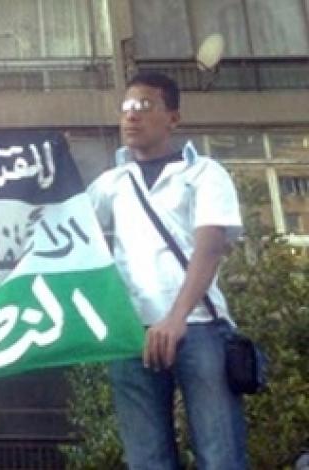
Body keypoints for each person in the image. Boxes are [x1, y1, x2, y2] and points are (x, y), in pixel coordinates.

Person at [87, 71, 248, 469]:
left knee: (220, 455)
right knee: (147, 459)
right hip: (133, 334)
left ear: (173, 118)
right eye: (126, 107)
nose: (131, 116)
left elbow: (210, 246)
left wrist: (176, 318)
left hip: (198, 326)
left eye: (144, 106)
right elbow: (69, 231)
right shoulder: (111, 183)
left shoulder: (203, 172)